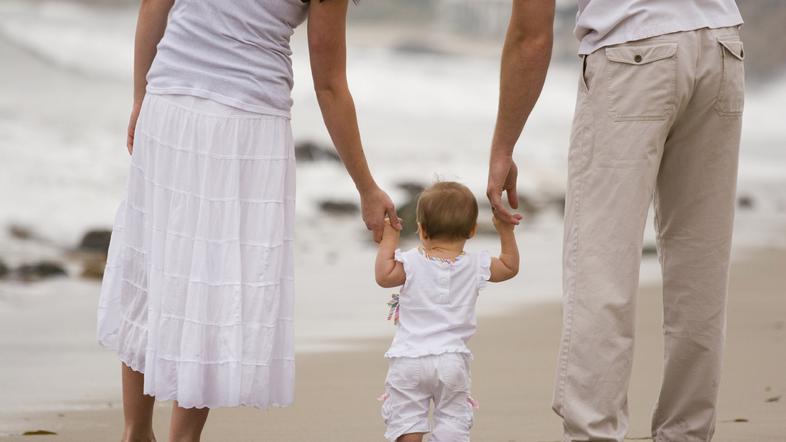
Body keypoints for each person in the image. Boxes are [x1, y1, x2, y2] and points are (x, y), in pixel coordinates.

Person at [96, 0, 400, 441]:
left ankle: (135, 430)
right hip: (246, 127)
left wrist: (142, 97)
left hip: (168, 108)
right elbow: (330, 85)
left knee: (153, 266)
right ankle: (184, 437)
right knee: (213, 287)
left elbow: (152, 8)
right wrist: (367, 187)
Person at [488, 0, 745, 440]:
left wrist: (503, 146)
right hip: (723, 46)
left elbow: (530, 34)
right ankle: (687, 432)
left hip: (633, 52)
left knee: (600, 270)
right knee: (700, 275)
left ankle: (594, 433)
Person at [375, 181, 520, 442]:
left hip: (410, 359)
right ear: (472, 230)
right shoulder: (477, 265)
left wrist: (390, 238)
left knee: (407, 420)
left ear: (421, 230)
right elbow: (509, 267)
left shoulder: (410, 262)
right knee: (452, 420)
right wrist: (505, 231)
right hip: (452, 362)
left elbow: (384, 276)